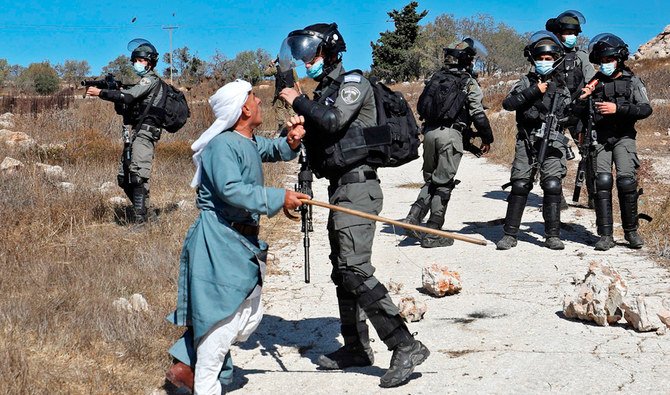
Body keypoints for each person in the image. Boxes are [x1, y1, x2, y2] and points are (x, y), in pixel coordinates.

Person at [278, 22, 429, 388]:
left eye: (310, 55)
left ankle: (405, 344)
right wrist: (299, 133)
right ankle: (356, 347)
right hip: (338, 191)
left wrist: (296, 99)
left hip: (359, 188)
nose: (305, 62)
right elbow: (320, 142)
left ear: (330, 53)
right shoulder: (324, 93)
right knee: (341, 270)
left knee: (355, 270)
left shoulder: (353, 83)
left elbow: (333, 122)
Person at [164, 79, 309, 394]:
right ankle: (203, 383)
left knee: (242, 317)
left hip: (238, 242)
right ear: (244, 108)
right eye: (254, 97)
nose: (259, 102)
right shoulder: (221, 146)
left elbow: (273, 149)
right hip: (218, 241)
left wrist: (292, 139)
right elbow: (232, 190)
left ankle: (186, 367)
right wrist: (278, 197)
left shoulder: (246, 140)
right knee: (223, 319)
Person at [403, 38, 494, 248]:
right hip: (449, 136)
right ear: (467, 60)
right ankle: (434, 231)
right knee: (444, 184)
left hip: (430, 134)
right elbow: (478, 115)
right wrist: (487, 138)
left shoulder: (437, 78)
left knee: (431, 180)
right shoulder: (468, 82)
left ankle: (413, 217)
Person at [496, 31, 573, 251]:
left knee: (552, 185)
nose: (544, 62)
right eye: (541, 58)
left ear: (556, 59)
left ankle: (552, 235)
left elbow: (569, 113)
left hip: (553, 142)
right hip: (527, 140)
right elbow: (508, 104)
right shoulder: (524, 82)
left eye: (549, 59)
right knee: (520, 185)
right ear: (533, 59)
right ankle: (510, 234)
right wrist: (534, 91)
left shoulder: (562, 87)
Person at [576, 33, 652, 251]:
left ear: (619, 59)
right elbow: (575, 112)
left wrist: (618, 109)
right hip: (600, 139)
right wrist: (582, 98)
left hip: (624, 137)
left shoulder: (633, 81)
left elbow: (646, 108)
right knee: (602, 184)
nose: (605, 65)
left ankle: (631, 232)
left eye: (609, 60)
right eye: (602, 61)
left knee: (627, 183)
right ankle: (605, 235)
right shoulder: (594, 82)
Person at [87, 38, 165, 224]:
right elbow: (125, 105)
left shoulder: (150, 80)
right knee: (124, 178)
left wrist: (101, 93)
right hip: (133, 133)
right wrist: (114, 92)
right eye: (135, 61)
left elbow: (128, 97)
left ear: (150, 62)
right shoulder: (140, 84)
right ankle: (146, 212)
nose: (136, 64)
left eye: (141, 60)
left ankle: (140, 221)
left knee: (137, 176)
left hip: (145, 133)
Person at [545, 10, 597, 209]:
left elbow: (593, 78)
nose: (572, 36)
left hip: (579, 113)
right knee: (552, 152)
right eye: (567, 32)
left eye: (575, 33)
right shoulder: (548, 55)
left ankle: (594, 197)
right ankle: (556, 196)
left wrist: (588, 90)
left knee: (589, 153)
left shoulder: (581, 56)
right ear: (558, 33)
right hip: (555, 113)